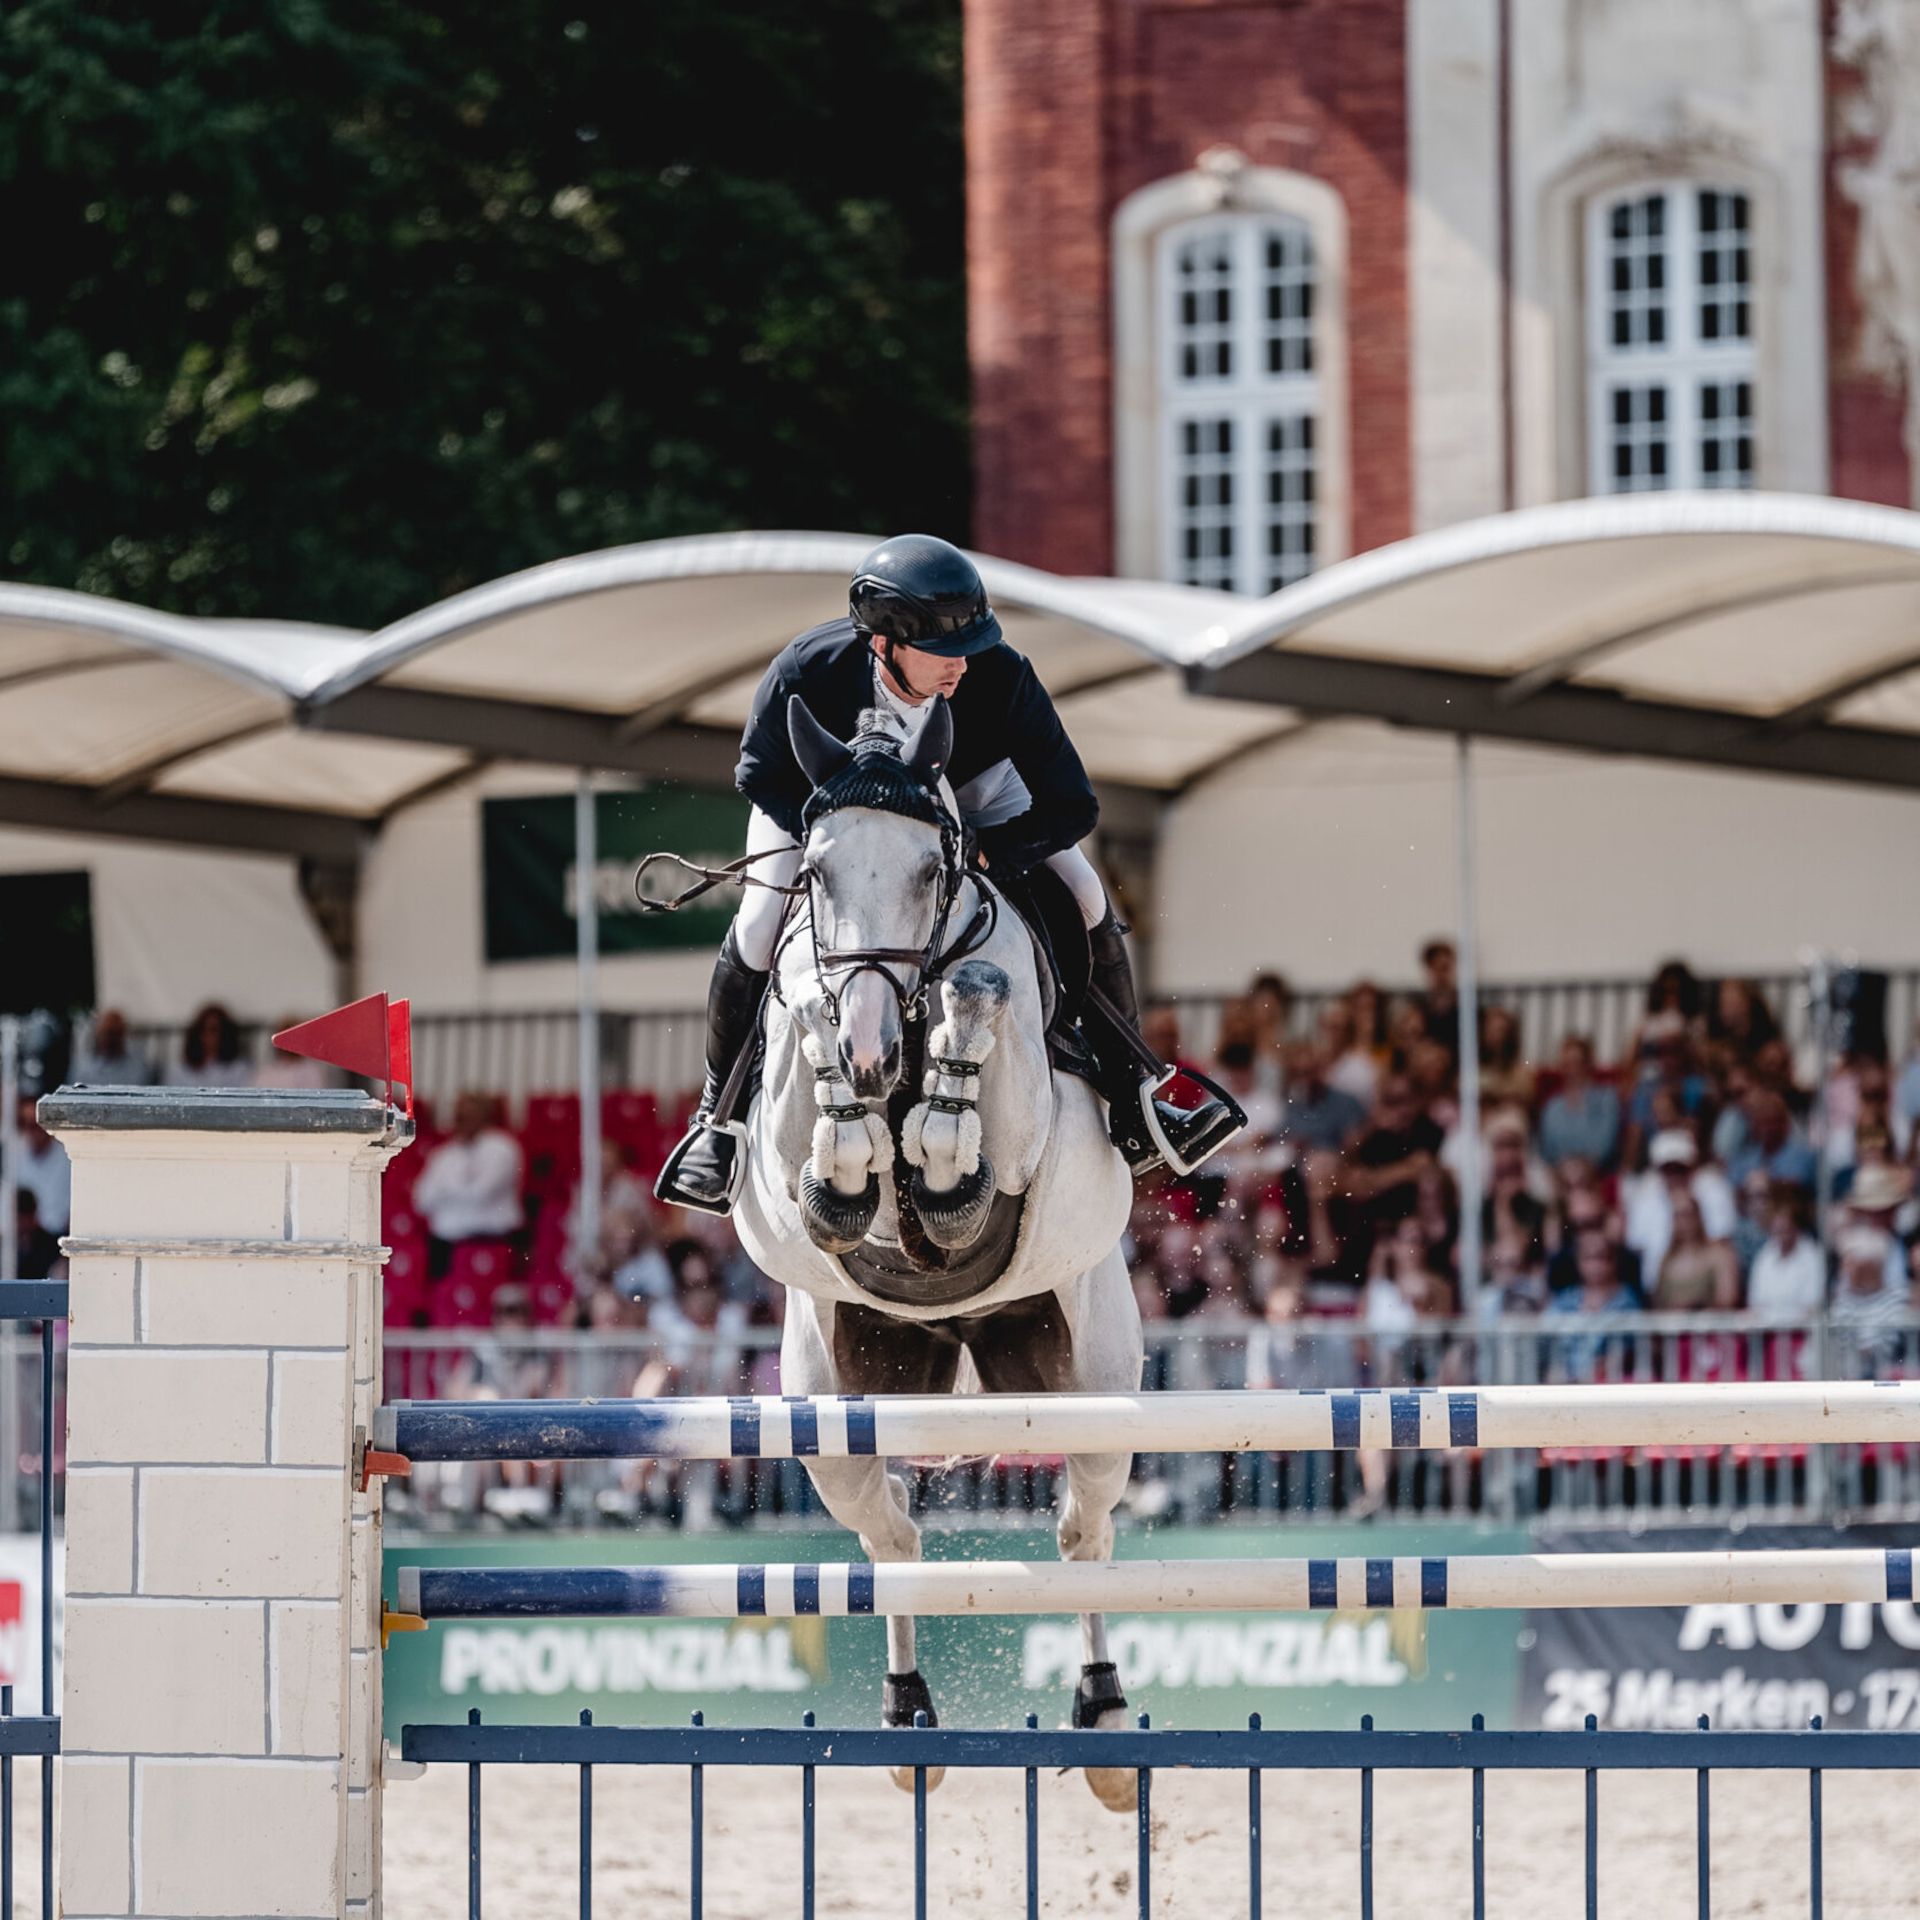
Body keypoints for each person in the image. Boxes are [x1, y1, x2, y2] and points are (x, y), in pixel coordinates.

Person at [656, 534, 1245, 1210]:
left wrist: (991, 850)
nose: (961, 666)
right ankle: (718, 1122)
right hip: (830, 813)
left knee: (1084, 891)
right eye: (943, 652)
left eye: (970, 646)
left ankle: (1136, 1093)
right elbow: (758, 773)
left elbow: (1072, 804)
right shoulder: (808, 669)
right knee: (759, 922)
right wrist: (831, 831)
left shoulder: (1002, 676)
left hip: (974, 801)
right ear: (884, 643)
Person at [411, 1091, 524, 1274]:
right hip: (445, 1244)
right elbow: (421, 1200)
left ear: (485, 1116)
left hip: (489, 1241)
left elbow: (481, 1193)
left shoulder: (502, 1148)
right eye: (459, 1116)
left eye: (469, 1115)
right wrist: (459, 1189)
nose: (462, 1121)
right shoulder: (444, 1153)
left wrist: (445, 1190)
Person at [1537, 1035, 1621, 1170]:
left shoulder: (1606, 1099)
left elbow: (1604, 1147)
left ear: (1588, 1064)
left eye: (1577, 1063)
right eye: (1566, 1065)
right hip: (1560, 1177)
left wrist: (1579, 1167)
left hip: (1596, 1176)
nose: (1571, 1070)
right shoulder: (1552, 1106)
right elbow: (1547, 1151)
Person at [1745, 1183, 1824, 1320]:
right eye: (1777, 1229)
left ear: (1796, 1226)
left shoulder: (1812, 1256)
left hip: (1802, 1335)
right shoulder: (1764, 1255)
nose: (1781, 1232)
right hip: (1769, 1335)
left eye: (1785, 1228)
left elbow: (1812, 1305)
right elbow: (1756, 1303)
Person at [7, 1092, 70, 1236]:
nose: (34, 1132)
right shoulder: (14, 1151)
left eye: (39, 1125)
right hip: (20, 1237)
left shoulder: (68, 1154)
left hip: (56, 1239)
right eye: (28, 1125)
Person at [165, 1003, 254, 1087]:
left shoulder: (238, 1069)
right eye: (203, 1030)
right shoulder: (179, 1070)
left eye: (214, 1030)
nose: (208, 1036)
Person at [69, 1009, 155, 1086]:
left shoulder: (137, 1069)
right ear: (98, 1034)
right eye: (108, 1033)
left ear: (123, 1035)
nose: (111, 1040)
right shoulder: (83, 1066)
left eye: (116, 1034)